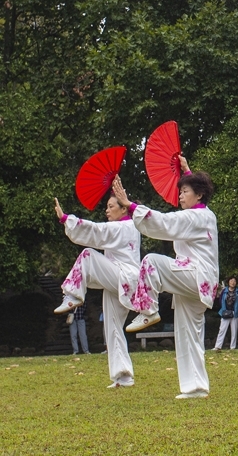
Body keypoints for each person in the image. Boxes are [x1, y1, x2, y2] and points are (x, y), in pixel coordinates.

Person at [112, 157, 219, 399]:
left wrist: (130, 205)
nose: (180, 196)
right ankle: (196, 387)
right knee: (188, 333)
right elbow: (178, 216)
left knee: (151, 261)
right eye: (180, 191)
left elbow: (164, 222)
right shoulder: (201, 215)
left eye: (185, 192)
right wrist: (187, 172)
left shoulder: (197, 217)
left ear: (199, 195)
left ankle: (148, 309)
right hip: (197, 281)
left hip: (195, 275)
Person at [54, 195, 137, 388]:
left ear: (123, 209)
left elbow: (96, 231)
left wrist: (66, 219)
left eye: (111, 207)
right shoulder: (127, 227)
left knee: (88, 255)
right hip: (121, 280)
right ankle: (123, 376)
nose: (106, 210)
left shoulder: (124, 227)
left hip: (122, 277)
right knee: (113, 327)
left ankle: (73, 293)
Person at [213, 277, 238, 350]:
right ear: (228, 282)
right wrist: (224, 310)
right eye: (231, 281)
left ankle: (233, 347)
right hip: (225, 312)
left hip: (235, 313)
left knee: (234, 331)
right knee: (222, 330)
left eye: (234, 281)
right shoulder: (224, 291)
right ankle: (218, 346)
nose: (233, 282)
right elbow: (220, 301)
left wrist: (236, 312)